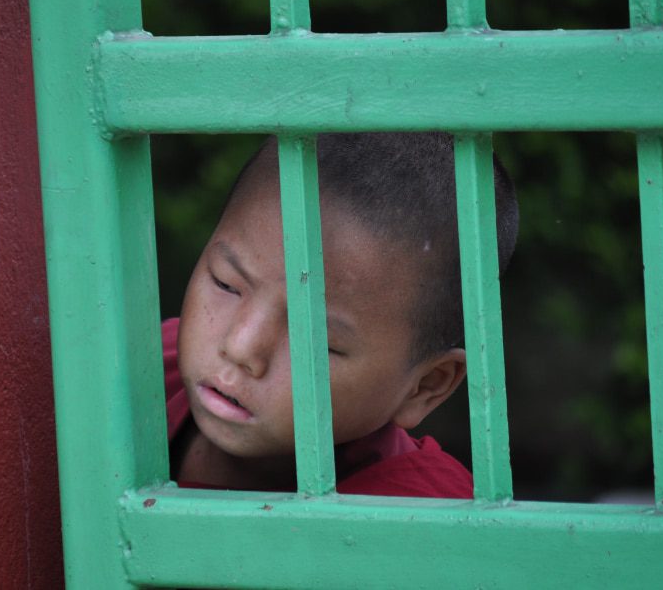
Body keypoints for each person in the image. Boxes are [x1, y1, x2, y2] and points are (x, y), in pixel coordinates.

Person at [163, 132, 519, 498]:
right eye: (226, 284)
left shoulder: (426, 526)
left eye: (318, 339)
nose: (240, 347)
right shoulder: (139, 371)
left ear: (425, 386)